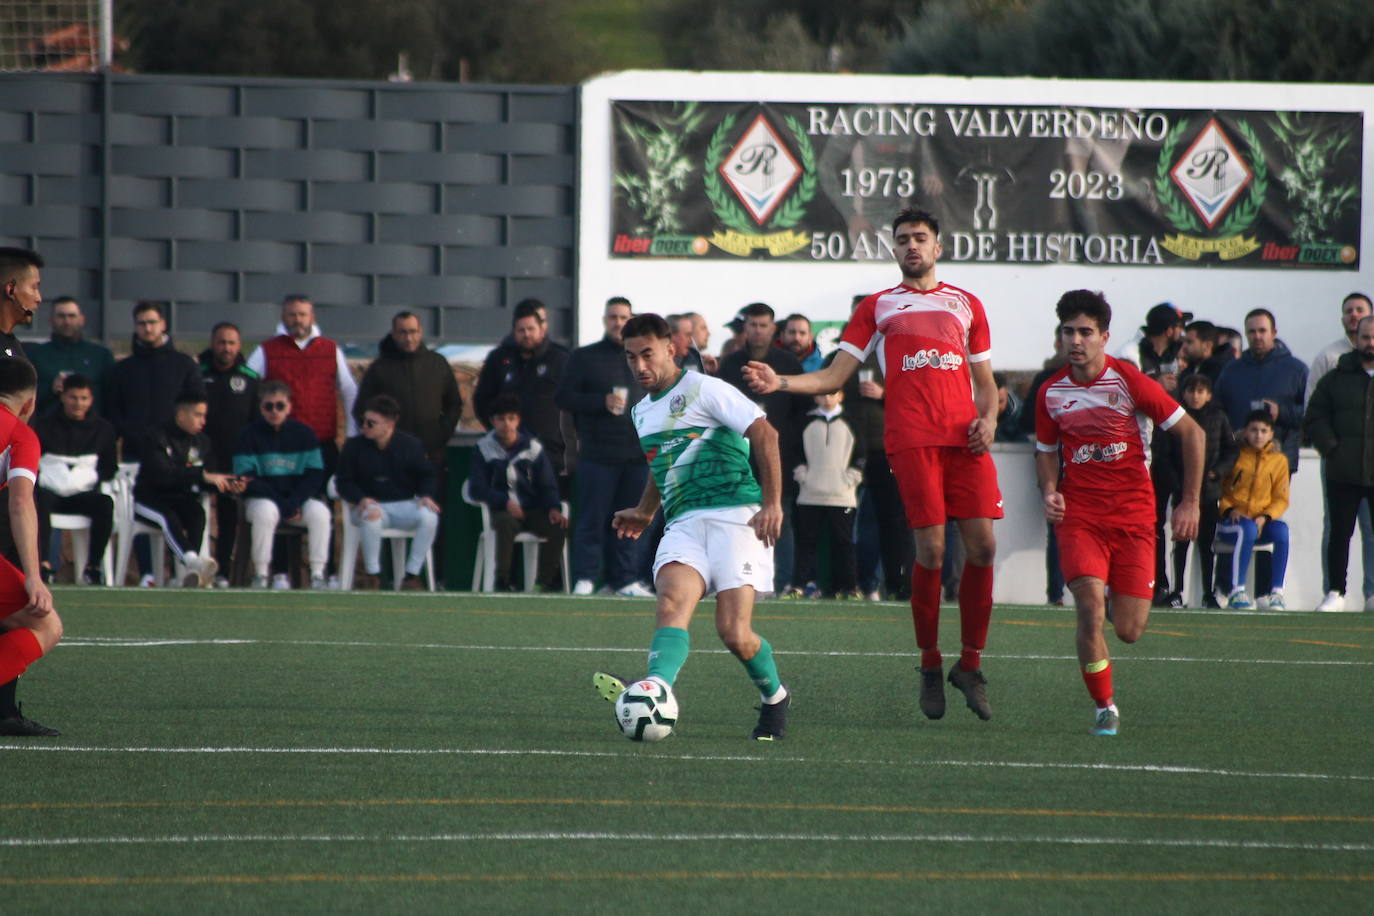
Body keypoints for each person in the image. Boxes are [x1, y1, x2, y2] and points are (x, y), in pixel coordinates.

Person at [743, 208, 1002, 723]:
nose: (911, 246)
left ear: (938, 246)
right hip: (911, 440)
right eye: (902, 239)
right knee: (929, 551)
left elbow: (986, 383)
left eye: (920, 238)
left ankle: (969, 664)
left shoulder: (966, 303)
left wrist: (990, 418)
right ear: (894, 248)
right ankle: (930, 663)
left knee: (984, 547)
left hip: (965, 441)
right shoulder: (880, 308)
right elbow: (836, 374)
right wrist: (783, 382)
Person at [592, 314, 790, 740]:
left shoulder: (705, 389)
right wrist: (646, 511)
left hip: (737, 516)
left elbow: (766, 435)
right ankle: (657, 687)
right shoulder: (641, 411)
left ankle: (775, 698)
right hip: (683, 522)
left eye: (648, 354)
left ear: (670, 349)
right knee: (670, 605)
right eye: (631, 358)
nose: (640, 366)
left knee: (734, 632)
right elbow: (662, 464)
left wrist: (772, 503)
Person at [1035, 289, 1203, 736]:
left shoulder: (1128, 381)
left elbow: (1193, 434)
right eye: (1068, 331)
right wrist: (1049, 490)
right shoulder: (1051, 393)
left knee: (1128, 629)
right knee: (1089, 609)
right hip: (1081, 517)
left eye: (1085, 332)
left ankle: (1114, 592)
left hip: (1133, 519)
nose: (1076, 340)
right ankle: (1104, 706)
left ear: (1104, 336)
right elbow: (1046, 451)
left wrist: (1189, 502)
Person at [555, 296, 653, 598]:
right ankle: (585, 577)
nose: (618, 322)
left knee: (632, 520)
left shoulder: (643, 358)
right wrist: (600, 402)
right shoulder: (585, 357)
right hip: (597, 454)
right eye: (613, 317)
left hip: (637, 456)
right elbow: (564, 398)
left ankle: (625, 580)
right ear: (604, 320)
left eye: (624, 317)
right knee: (591, 520)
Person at [719, 302, 806, 595]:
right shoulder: (729, 365)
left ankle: (781, 585)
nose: (758, 331)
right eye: (753, 325)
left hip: (780, 457)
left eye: (763, 325)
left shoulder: (789, 365)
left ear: (773, 329)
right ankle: (738, 582)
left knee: (781, 519)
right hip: (738, 459)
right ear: (744, 328)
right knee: (736, 521)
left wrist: (792, 449)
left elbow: (802, 412)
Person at [0, 357, 63, 736]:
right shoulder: (21, 434)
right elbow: (21, 502)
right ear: (30, 403)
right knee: (45, 624)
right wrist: (34, 577)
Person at [1306, 292, 1374, 609]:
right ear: (1356, 339)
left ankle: (1372, 594)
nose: (1369, 342)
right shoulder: (1335, 376)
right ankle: (1336, 592)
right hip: (1342, 469)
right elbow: (1315, 415)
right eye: (1365, 337)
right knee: (1339, 533)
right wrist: (1333, 448)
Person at [133, 393, 242, 588]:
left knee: (196, 512)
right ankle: (192, 562)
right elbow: (162, 475)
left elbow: (207, 476)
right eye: (198, 415)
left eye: (204, 415)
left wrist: (228, 484)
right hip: (149, 498)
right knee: (168, 517)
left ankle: (188, 574)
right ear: (181, 415)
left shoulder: (202, 442)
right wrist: (201, 475)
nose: (203, 421)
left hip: (179, 498)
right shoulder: (156, 436)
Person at [233, 381, 331, 589]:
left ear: (289, 407)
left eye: (280, 406)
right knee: (266, 512)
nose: (274, 411)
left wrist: (294, 502)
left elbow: (315, 475)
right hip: (262, 500)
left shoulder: (305, 434)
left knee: (321, 513)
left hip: (296, 500)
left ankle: (317, 574)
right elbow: (247, 477)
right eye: (268, 406)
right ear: (261, 408)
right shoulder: (247, 435)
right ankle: (260, 573)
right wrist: (282, 503)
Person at [336, 394, 440, 591]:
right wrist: (361, 499)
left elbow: (427, 474)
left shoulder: (410, 445)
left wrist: (426, 495)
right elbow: (343, 481)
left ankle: (411, 576)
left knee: (429, 517)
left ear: (389, 424)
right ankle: (372, 576)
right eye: (362, 421)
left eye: (371, 423)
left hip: (404, 504)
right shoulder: (353, 446)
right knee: (371, 517)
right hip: (370, 505)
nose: (364, 426)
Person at [466, 394, 568, 592]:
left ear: (518, 420)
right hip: (502, 510)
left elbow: (547, 485)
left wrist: (553, 508)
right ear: (493, 421)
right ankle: (502, 582)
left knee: (558, 526)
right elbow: (476, 488)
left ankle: (542, 583)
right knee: (504, 524)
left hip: (532, 509)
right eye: (501, 419)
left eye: (511, 419)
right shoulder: (483, 448)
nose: (507, 424)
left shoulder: (533, 448)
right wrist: (504, 502)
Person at [246, 294, 358, 475]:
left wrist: (352, 434)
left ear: (312, 317)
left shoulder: (330, 349)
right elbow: (247, 388)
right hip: (279, 444)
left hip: (321, 443)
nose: (297, 320)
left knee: (323, 498)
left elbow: (349, 390)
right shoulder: (266, 350)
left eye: (302, 314)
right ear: (283, 317)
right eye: (292, 315)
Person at [472, 298, 570, 491]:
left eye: (531, 329)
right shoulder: (499, 359)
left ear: (542, 329)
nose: (526, 335)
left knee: (551, 514)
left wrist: (563, 439)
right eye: (521, 330)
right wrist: (498, 429)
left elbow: (573, 404)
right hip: (507, 453)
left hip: (551, 453)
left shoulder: (561, 359)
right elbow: (482, 400)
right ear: (514, 331)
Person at [353, 311, 463, 478]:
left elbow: (454, 403)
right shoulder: (380, 368)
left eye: (413, 332)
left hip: (431, 455)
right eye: (403, 332)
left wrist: (441, 434)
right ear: (394, 334)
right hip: (390, 458)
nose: (409, 338)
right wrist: (381, 440)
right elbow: (361, 410)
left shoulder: (437, 364)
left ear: (421, 332)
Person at [32, 374, 117, 585]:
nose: (78, 404)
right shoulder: (43, 425)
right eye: (73, 397)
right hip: (50, 492)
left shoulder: (103, 429)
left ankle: (93, 567)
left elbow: (109, 467)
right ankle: (43, 565)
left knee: (105, 504)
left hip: (83, 493)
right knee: (37, 501)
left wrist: (86, 474)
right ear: (62, 396)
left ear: (91, 400)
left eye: (84, 398)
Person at [1166, 374, 1236, 609]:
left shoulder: (1218, 417)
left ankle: (1208, 593)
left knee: (1207, 545)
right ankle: (1178, 592)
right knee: (1181, 543)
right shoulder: (1175, 418)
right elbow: (1164, 455)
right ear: (1183, 393)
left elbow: (1231, 450)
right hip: (1182, 493)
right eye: (1191, 391)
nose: (1195, 396)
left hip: (1209, 493)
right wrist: (1179, 483)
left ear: (1209, 395)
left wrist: (1217, 472)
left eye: (1200, 391)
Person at [104, 301, 206, 461]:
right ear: (135, 327)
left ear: (163, 324)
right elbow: (113, 410)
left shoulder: (184, 365)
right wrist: (130, 432)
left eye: (152, 322)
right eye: (142, 323)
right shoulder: (122, 370)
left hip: (177, 452)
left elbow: (198, 403)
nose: (148, 328)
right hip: (136, 451)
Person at [786, 386, 863, 599]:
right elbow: (794, 453)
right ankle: (798, 586)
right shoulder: (804, 422)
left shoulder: (852, 422)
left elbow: (861, 454)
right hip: (810, 495)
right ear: (815, 396)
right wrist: (804, 477)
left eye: (832, 393)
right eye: (822, 394)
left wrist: (849, 480)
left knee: (844, 543)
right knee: (806, 542)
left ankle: (850, 588)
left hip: (842, 495)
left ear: (841, 396)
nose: (827, 398)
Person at [199, 322, 259, 587]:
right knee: (196, 511)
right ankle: (196, 568)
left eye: (232, 343)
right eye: (222, 342)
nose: (227, 348)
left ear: (239, 345)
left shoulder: (249, 378)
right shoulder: (197, 373)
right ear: (213, 343)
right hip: (201, 456)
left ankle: (223, 571)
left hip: (234, 458)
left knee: (228, 517)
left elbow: (256, 423)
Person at [1214, 308, 1308, 475]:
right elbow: (1216, 410)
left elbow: (1310, 412)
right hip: (1238, 459)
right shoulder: (1231, 370)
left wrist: (1281, 412)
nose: (1257, 336)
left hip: (1279, 460)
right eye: (1252, 331)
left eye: (1262, 331)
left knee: (1275, 503)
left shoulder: (1296, 370)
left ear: (1274, 332)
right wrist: (1232, 435)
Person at [1215, 410, 1291, 610]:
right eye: (1254, 430)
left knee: (1282, 530)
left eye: (1264, 431)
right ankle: (1236, 590)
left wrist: (1266, 516)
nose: (1259, 435)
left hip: (1260, 521)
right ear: (1245, 432)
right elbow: (1217, 490)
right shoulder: (1234, 455)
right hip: (1230, 523)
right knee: (1245, 529)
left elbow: (1281, 498)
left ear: (1271, 434)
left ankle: (1277, 592)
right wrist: (1229, 509)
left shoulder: (1279, 461)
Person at [26, 296, 114, 416]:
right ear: (51, 320)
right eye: (61, 316)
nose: (67, 321)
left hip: (93, 430)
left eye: (72, 316)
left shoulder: (101, 355)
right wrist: (50, 388)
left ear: (82, 319)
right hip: (48, 428)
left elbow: (112, 397)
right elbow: (24, 397)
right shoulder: (35, 355)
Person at [1178, 319, 1233, 388]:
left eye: (1189, 342)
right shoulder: (1188, 371)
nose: (1184, 346)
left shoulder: (1226, 372)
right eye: (1184, 342)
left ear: (1207, 345)